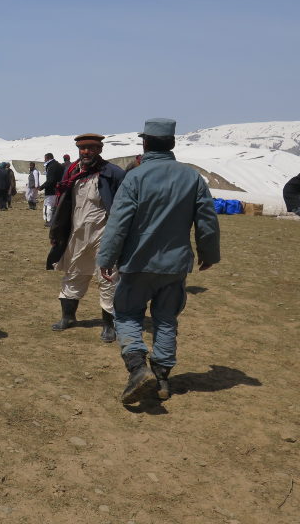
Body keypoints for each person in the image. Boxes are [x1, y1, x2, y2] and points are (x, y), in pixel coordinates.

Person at [97, 118, 221, 404]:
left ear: (145, 143)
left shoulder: (136, 177)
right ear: (173, 143)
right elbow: (207, 221)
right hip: (175, 266)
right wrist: (208, 254)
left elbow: (118, 223)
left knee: (127, 315)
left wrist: (107, 258)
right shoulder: (191, 177)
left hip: (137, 263)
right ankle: (162, 377)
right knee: (166, 320)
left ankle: (138, 368)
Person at [48, 134, 126, 343]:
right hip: (77, 235)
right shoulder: (71, 172)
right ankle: (68, 317)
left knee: (108, 279)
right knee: (73, 274)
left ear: (99, 150)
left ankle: (109, 326)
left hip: (104, 236)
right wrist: (56, 231)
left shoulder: (113, 173)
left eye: (91, 148)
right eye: (83, 148)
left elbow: (124, 208)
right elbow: (61, 204)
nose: (86, 152)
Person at [39, 153, 64, 227]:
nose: (44, 160)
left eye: (45, 158)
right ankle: (55, 219)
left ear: (49, 158)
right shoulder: (59, 165)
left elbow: (50, 180)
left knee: (48, 204)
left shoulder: (51, 166)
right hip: (58, 188)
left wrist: (41, 187)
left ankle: (49, 220)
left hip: (50, 189)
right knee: (56, 205)